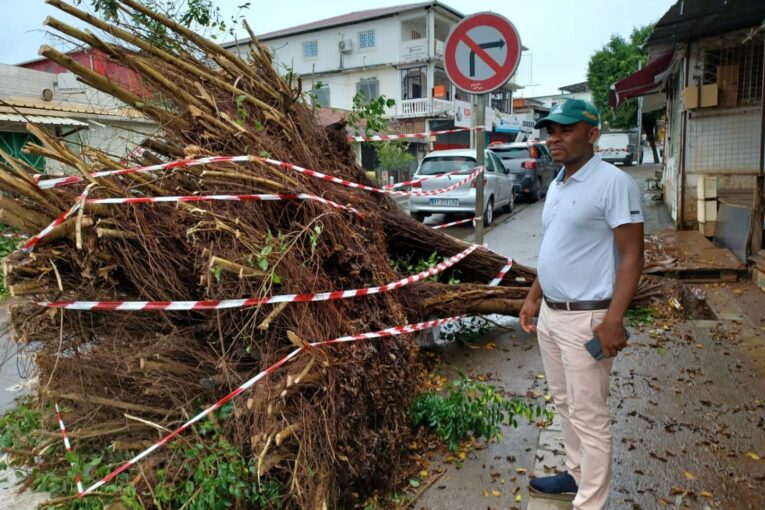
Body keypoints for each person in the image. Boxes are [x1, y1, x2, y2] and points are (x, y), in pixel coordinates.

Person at [519, 99, 644, 510]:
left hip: (588, 319)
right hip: (552, 316)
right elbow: (558, 246)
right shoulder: (558, 183)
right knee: (564, 403)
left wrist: (614, 320)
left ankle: (590, 502)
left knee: (590, 415)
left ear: (592, 134)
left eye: (566, 130)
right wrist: (534, 297)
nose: (554, 138)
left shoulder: (613, 183)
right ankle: (575, 476)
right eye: (551, 131)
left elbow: (633, 255)